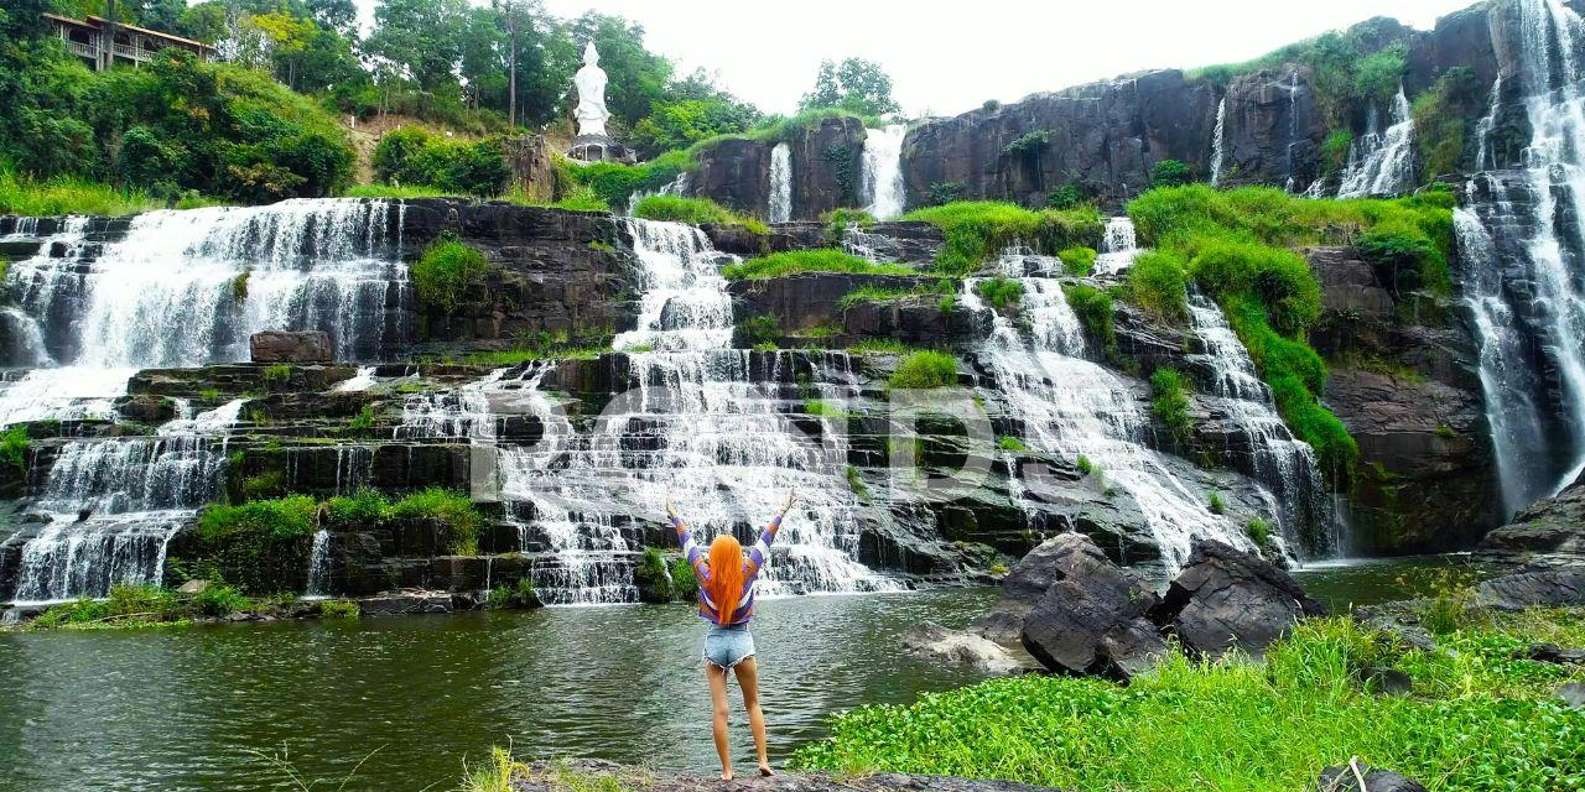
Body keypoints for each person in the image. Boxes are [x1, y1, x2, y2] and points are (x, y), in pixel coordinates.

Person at [665, 492, 795, 781]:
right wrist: (781, 511)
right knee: (753, 704)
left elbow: (689, 545)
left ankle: (726, 770)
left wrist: (674, 515)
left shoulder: (705, 575)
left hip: (715, 643)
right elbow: (766, 540)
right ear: (737, 556)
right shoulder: (747, 572)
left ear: (714, 556)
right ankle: (763, 761)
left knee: (720, 711)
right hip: (741, 642)